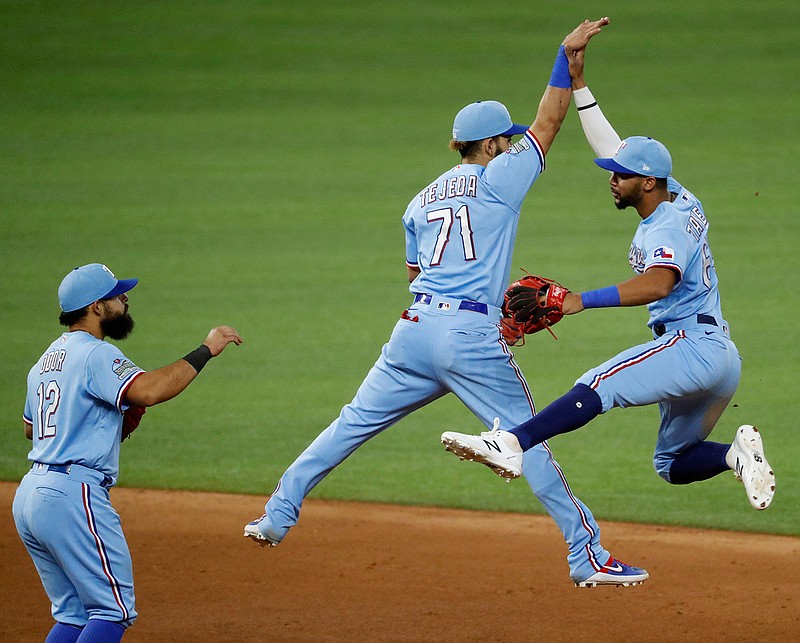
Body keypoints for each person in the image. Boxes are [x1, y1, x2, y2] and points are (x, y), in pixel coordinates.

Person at [245, 17, 649, 588]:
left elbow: (418, 270)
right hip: (468, 339)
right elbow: (551, 120)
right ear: (488, 146)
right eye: (503, 140)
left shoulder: (419, 199)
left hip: (413, 330)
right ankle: (586, 557)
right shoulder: (499, 178)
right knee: (524, 437)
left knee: (350, 424)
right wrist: (566, 58)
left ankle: (277, 514)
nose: (510, 145)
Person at [440, 58, 776, 517]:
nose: (612, 180)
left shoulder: (664, 230)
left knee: (599, 384)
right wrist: (579, 86)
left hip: (692, 348)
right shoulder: (679, 195)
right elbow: (617, 146)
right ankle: (736, 455)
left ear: (648, 182)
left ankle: (511, 442)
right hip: (721, 358)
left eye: (620, 175)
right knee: (671, 463)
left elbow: (659, 283)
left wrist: (579, 301)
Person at [13, 263, 242, 643]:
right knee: (111, 612)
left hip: (31, 497)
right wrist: (207, 350)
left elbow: (30, 428)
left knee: (73, 615)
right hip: (73, 495)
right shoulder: (95, 354)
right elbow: (149, 390)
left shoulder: (45, 361)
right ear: (96, 307)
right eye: (117, 295)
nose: (125, 298)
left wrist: (106, 426)